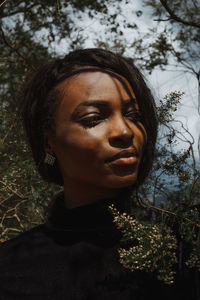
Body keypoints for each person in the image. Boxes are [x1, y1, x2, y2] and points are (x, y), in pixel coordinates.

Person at [0, 48, 198, 299]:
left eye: (133, 115)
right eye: (93, 118)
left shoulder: (183, 242)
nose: (125, 131)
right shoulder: (10, 270)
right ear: (49, 141)